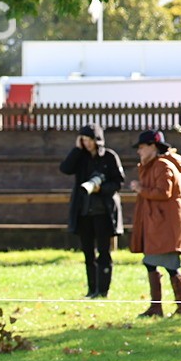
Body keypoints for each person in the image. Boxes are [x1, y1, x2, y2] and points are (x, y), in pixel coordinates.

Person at [128, 130, 181, 317]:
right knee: (152, 263)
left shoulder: (162, 166)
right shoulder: (155, 165)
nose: (139, 151)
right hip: (159, 224)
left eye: (141, 147)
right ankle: (160, 307)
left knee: (170, 265)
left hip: (164, 226)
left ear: (152, 146)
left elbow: (164, 192)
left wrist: (141, 189)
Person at [59, 124, 124, 298]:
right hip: (83, 212)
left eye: (89, 140)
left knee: (104, 252)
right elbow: (65, 168)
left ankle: (103, 290)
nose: (87, 144)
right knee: (88, 253)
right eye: (84, 140)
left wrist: (100, 189)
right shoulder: (81, 157)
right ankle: (91, 289)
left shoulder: (109, 157)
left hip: (103, 212)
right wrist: (76, 149)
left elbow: (118, 183)